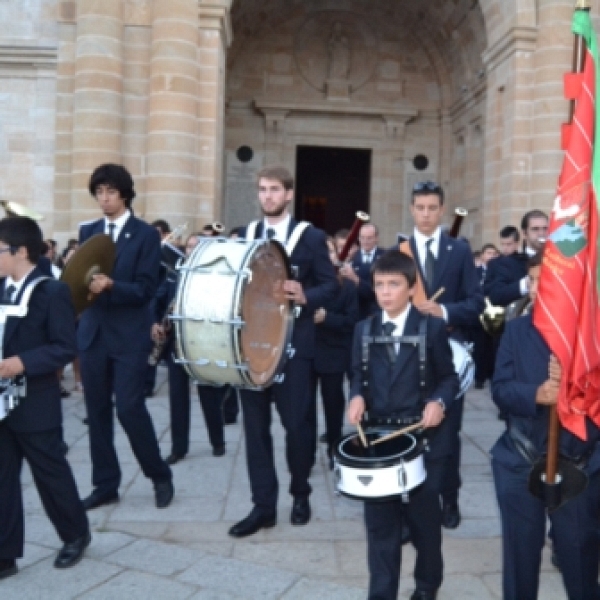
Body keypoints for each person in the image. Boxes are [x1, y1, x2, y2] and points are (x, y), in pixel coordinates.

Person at [228, 165, 337, 538]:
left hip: (296, 345)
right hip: (253, 345)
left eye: (275, 189)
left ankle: (301, 493)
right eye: (262, 189)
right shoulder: (246, 235)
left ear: (289, 194)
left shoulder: (310, 236)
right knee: (255, 430)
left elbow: (329, 285)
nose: (268, 196)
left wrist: (305, 296)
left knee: (297, 427)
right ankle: (263, 507)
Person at [347, 249, 458, 600]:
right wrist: (356, 396)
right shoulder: (363, 329)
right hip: (380, 440)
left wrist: (438, 402)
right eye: (379, 284)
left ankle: (427, 585)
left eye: (394, 284)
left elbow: (449, 379)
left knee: (425, 526)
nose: (385, 292)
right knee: (380, 528)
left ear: (411, 288)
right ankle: (382, 593)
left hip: (423, 439)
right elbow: (357, 376)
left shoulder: (433, 328)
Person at [491, 250, 600, 600]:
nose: (538, 288)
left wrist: (571, 390)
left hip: (577, 464)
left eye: (548, 280)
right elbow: (501, 389)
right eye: (534, 280)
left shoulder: (591, 336)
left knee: (580, 557)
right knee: (520, 559)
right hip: (521, 459)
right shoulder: (517, 331)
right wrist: (537, 393)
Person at [78, 163, 174, 511]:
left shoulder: (146, 235)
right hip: (93, 334)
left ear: (125, 194)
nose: (104, 199)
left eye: (110, 192)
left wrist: (112, 286)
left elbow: (147, 289)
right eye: (99, 193)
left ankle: (158, 474)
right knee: (96, 410)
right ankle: (105, 484)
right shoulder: (88, 230)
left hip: (129, 336)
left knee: (130, 408)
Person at [0, 217, 90, 579]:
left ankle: (75, 534)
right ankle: (5, 553)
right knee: (2, 478)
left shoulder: (52, 291)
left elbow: (65, 347)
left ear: (20, 251)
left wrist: (22, 362)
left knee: (50, 475)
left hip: (35, 399)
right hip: (2, 400)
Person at [401, 180, 484, 529]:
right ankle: (410, 505)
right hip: (409, 357)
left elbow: (476, 303)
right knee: (409, 429)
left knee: (448, 433)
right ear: (411, 210)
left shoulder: (459, 250)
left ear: (441, 210)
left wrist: (445, 313)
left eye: (432, 208)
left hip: (448, 356)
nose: (425, 214)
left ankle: (449, 498)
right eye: (420, 208)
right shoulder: (399, 252)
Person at [152, 232, 226, 464]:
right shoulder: (174, 275)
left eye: (196, 247)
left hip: (203, 342)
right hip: (177, 342)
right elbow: (157, 299)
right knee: (177, 397)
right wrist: (154, 322)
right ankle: (178, 448)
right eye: (189, 247)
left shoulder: (216, 276)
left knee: (208, 394)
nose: (191, 251)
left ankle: (218, 441)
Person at [312, 237, 359, 469]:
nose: (328, 255)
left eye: (331, 251)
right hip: (308, 352)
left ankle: (333, 448)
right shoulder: (307, 283)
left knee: (333, 405)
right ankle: (305, 454)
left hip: (334, 353)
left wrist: (327, 319)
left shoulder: (348, 286)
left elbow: (352, 321)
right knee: (302, 409)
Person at [485, 211, 548, 308]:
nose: (541, 233)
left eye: (545, 228)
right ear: (524, 233)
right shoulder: (506, 263)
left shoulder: (557, 261)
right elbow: (496, 296)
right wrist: (526, 283)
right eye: (535, 229)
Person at [340, 223, 384, 319]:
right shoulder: (351, 256)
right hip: (357, 312)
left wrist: (355, 279)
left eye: (369, 238)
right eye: (362, 237)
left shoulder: (385, 256)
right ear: (358, 238)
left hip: (378, 311)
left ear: (377, 238)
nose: (365, 241)